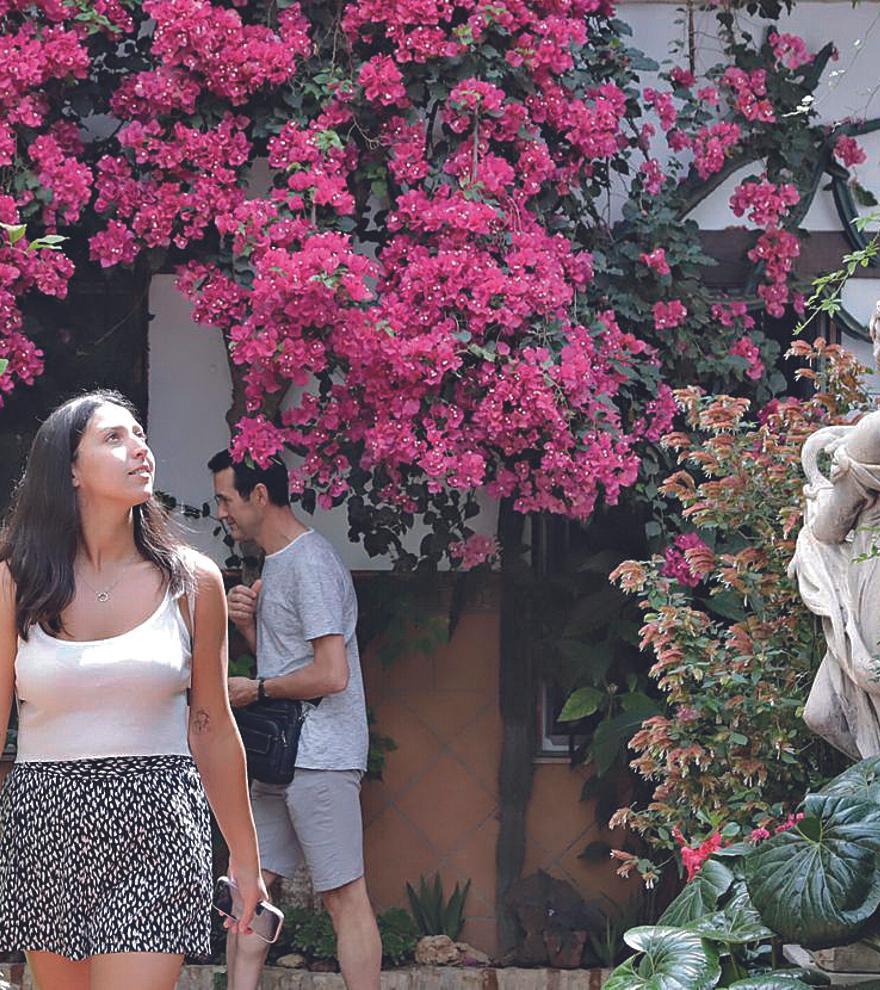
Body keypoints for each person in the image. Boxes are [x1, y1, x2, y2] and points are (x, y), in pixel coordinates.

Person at [0, 390, 268, 990]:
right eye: (113, 438)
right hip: (44, 820)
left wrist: (246, 861)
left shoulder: (193, 580)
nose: (138, 449)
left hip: (155, 816)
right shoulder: (17, 579)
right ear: (70, 470)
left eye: (139, 435)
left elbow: (212, 725)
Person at [208, 450, 381, 990]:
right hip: (279, 755)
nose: (220, 513)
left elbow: (332, 675)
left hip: (322, 758)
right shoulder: (277, 563)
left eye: (225, 500)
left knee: (343, 897)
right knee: (248, 890)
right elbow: (292, 669)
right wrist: (250, 628)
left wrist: (255, 687)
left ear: (259, 496)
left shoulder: (311, 564)